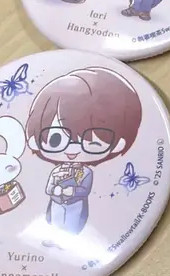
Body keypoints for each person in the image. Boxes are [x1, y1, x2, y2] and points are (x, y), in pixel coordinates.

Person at [25, 67, 142, 245]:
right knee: (55, 218)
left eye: (91, 141)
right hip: (56, 202)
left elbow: (84, 189)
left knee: (72, 221)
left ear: (118, 143)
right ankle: (54, 239)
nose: (72, 149)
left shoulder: (86, 172)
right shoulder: (57, 170)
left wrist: (72, 192)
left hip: (75, 204)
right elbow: (49, 187)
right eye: (56, 139)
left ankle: (69, 242)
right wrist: (55, 191)